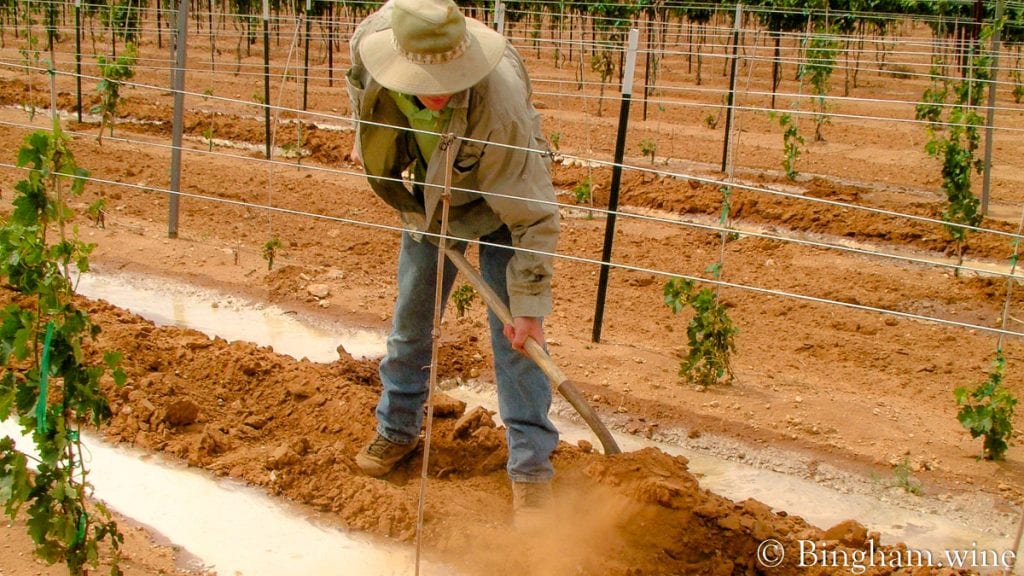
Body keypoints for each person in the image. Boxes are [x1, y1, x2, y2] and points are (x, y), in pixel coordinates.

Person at [345, 0, 560, 515]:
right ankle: (397, 431)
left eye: (449, 78)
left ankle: (531, 468)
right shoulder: (372, 46)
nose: (438, 92)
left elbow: (532, 213)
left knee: (517, 341)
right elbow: (359, 90)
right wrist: (364, 138)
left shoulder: (499, 104)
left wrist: (530, 306)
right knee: (410, 323)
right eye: (424, 79)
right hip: (430, 201)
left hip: (503, 207)